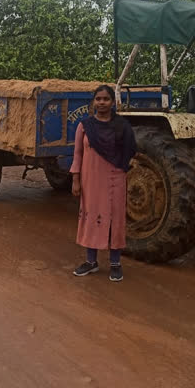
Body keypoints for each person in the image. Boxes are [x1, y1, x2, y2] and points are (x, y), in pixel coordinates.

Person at [70, 85, 136, 281]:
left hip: (115, 178)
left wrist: (123, 169)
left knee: (114, 219)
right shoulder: (84, 126)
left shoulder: (122, 126)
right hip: (90, 180)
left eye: (106, 99)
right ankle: (91, 262)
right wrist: (75, 179)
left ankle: (115, 263)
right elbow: (78, 154)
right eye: (98, 99)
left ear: (113, 102)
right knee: (91, 217)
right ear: (93, 102)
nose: (102, 102)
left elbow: (130, 149)